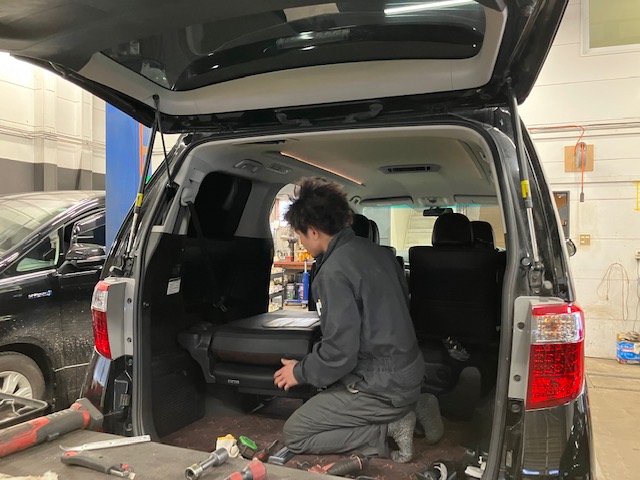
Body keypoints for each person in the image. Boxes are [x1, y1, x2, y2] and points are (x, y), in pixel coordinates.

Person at [273, 177, 425, 462]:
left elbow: (340, 351)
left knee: (296, 433)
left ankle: (390, 426)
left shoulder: (334, 271)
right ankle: (419, 402)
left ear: (313, 231)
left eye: (300, 234)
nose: (301, 241)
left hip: (382, 385)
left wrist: (300, 372)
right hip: (408, 369)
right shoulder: (379, 253)